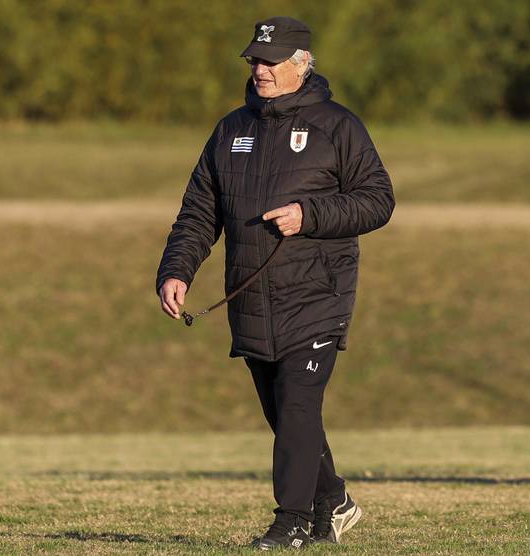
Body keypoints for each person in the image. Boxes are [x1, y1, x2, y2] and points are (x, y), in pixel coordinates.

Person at [156, 16, 394, 549]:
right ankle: (334, 502)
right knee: (283, 413)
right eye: (255, 61)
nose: (259, 70)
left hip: (317, 293)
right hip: (251, 296)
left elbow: (377, 200)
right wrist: (176, 270)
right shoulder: (229, 130)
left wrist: (310, 215)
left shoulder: (339, 126)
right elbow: (199, 212)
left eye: (271, 61)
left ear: (301, 64)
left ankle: (292, 522)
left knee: (298, 406)